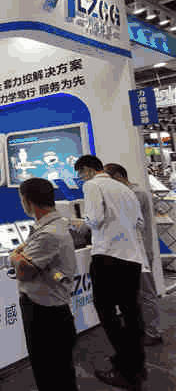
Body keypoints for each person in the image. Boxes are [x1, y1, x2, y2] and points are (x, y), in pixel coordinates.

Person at [72, 155, 147, 390]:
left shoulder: (92, 185)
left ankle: (127, 368)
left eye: (80, 174)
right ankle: (136, 364)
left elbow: (94, 219)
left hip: (107, 257)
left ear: (87, 170)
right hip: (132, 258)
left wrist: (79, 222)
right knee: (131, 314)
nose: (81, 179)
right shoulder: (125, 189)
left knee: (106, 313)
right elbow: (140, 223)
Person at [9, 178, 78, 391]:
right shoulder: (53, 225)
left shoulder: (48, 233)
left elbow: (23, 270)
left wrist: (14, 256)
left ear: (28, 201)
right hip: (50, 308)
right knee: (59, 371)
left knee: (49, 372)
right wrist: (21, 255)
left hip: (44, 313)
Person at [104, 163, 163, 346]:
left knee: (146, 293)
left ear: (118, 177)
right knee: (135, 294)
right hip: (131, 252)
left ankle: (153, 332)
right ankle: (143, 329)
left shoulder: (135, 194)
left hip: (140, 252)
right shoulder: (128, 193)